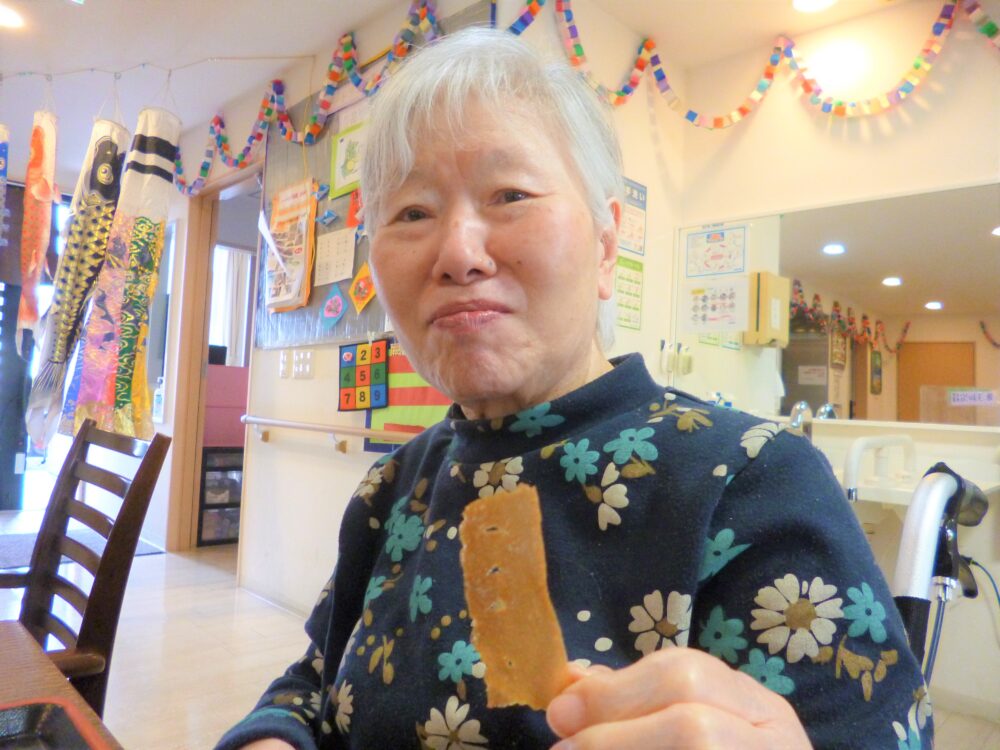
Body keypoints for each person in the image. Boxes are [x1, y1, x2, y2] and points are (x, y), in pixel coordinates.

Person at [216, 27, 931, 750]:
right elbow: (315, 679)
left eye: (510, 195)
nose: (458, 253)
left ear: (606, 243)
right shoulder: (392, 486)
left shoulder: (752, 480)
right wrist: (271, 738)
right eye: (412, 213)